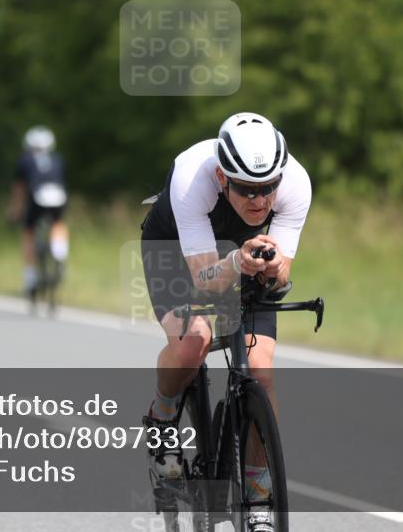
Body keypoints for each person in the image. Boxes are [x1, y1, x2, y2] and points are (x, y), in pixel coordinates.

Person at [139, 113, 311, 532]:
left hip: (243, 255)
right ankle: (163, 418)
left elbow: (282, 273)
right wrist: (235, 260)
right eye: (247, 189)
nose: (260, 200)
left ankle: (258, 497)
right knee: (193, 342)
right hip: (176, 252)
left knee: (261, 368)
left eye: (268, 188)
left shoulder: (296, 182)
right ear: (222, 177)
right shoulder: (191, 179)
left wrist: (273, 268)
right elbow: (204, 278)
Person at [8, 126, 69, 299]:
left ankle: (30, 278)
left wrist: (14, 211)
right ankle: (60, 254)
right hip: (58, 197)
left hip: (37, 197)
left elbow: (20, 189)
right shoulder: (57, 159)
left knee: (29, 232)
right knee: (58, 224)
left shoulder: (25, 160)